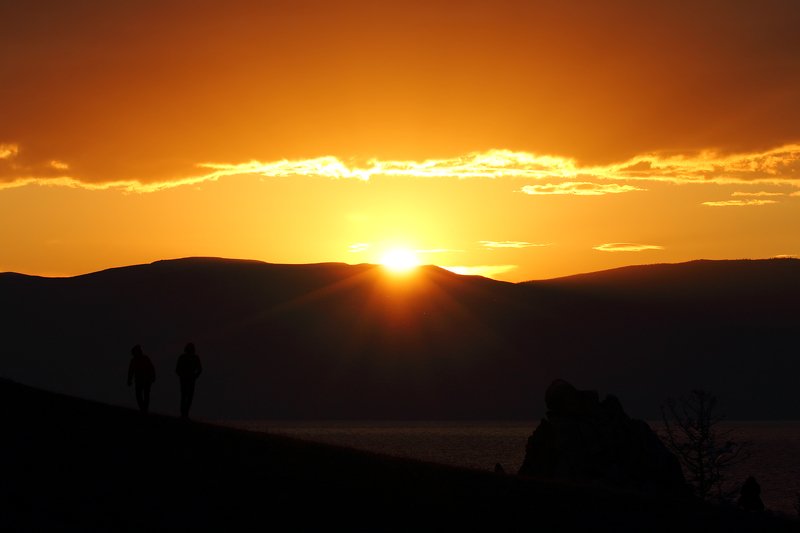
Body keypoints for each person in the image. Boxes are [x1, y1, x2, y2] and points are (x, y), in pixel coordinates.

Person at [176, 342, 202, 419]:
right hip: (187, 380)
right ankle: (184, 414)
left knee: (186, 397)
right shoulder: (184, 357)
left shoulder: (193, 358)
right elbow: (177, 369)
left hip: (189, 380)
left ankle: (185, 413)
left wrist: (195, 376)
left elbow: (200, 369)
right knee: (186, 397)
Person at [127, 344, 156, 413]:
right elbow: (131, 371)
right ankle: (143, 409)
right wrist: (129, 379)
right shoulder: (135, 360)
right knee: (140, 395)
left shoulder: (144, 359)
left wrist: (153, 377)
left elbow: (151, 368)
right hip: (141, 380)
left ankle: (144, 409)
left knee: (144, 395)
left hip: (145, 380)